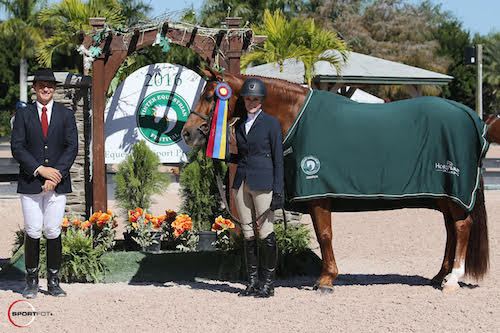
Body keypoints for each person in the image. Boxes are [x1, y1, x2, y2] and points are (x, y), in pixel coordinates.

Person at [11, 68, 78, 298]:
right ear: (35, 88)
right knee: (32, 229)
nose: (46, 89)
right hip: (31, 181)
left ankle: (53, 280)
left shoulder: (66, 115)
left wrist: (55, 175)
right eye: (41, 85)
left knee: (52, 229)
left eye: (49, 85)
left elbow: (72, 147)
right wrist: (41, 171)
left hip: (57, 183)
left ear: (55, 89)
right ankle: (30, 281)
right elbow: (17, 147)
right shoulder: (23, 114)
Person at [230, 78, 284, 298]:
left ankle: (269, 284)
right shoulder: (240, 123)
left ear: (261, 100)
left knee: (265, 233)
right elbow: (243, 155)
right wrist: (223, 157)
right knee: (248, 233)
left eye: (255, 99)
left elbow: (279, 159)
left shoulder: (272, 123)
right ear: (243, 100)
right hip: (241, 182)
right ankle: (252, 283)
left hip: (263, 183)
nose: (251, 102)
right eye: (248, 98)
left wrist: (278, 190)